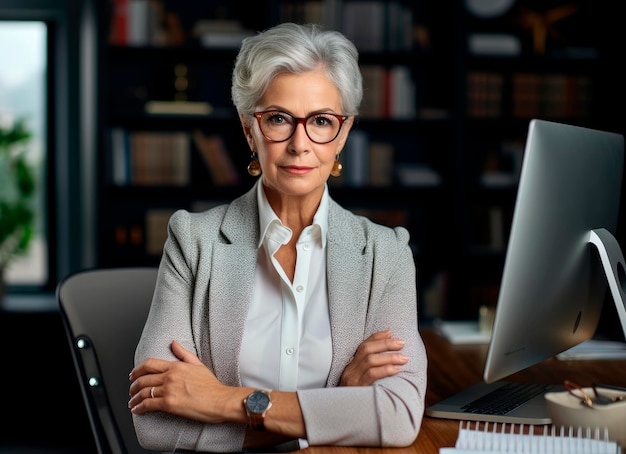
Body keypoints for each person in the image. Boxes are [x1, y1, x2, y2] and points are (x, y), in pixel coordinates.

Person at [128, 22, 427, 452]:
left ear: (343, 133)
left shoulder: (386, 254)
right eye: (278, 120)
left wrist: (220, 400)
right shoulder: (193, 241)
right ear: (249, 129)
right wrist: (338, 408)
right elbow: (154, 424)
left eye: (322, 121)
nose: (299, 144)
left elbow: (397, 417)